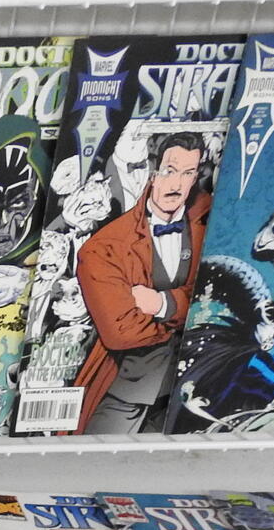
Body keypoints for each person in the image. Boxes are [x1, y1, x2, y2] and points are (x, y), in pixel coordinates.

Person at [74, 132, 212, 433]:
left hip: (198, 389)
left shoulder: (212, 222)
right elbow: (120, 332)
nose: (176, 185)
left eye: (187, 173)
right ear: (152, 172)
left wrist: (163, 304)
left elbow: (219, 300)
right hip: (127, 391)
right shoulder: (106, 246)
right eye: (169, 171)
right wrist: (192, 317)